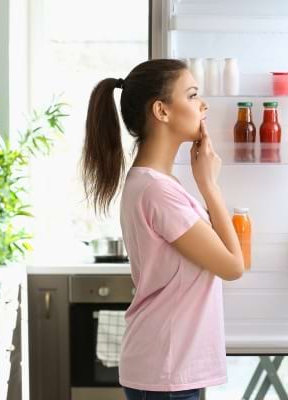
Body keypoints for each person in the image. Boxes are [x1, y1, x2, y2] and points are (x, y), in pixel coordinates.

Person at [82, 59, 244, 400]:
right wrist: (210, 186)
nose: (203, 105)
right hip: (166, 368)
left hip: (169, 366)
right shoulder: (158, 191)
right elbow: (233, 266)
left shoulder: (157, 184)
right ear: (162, 110)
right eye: (192, 95)